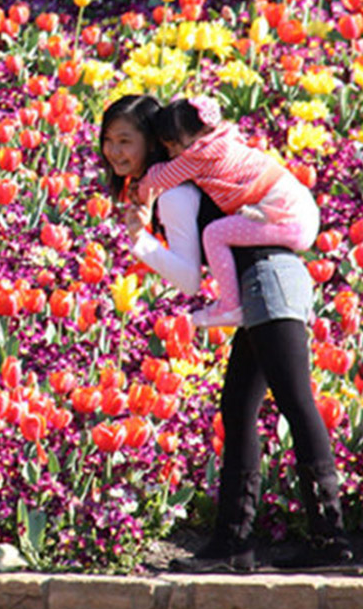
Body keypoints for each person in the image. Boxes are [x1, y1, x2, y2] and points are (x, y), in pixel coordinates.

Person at [99, 93, 353, 573]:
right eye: (108, 140)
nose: (114, 152)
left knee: (296, 403)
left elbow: (188, 278)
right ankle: (233, 544)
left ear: (154, 143)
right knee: (237, 409)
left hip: (269, 279)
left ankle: (330, 541)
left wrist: (137, 242)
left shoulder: (174, 190)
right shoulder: (184, 177)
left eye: (125, 140)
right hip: (266, 282)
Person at [133, 95, 319, 328]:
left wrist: (136, 189)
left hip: (288, 217)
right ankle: (300, 305)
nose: (171, 154)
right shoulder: (225, 137)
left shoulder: (198, 154)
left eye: (173, 146)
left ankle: (230, 307)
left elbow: (160, 180)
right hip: (300, 208)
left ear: (197, 135)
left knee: (214, 234)